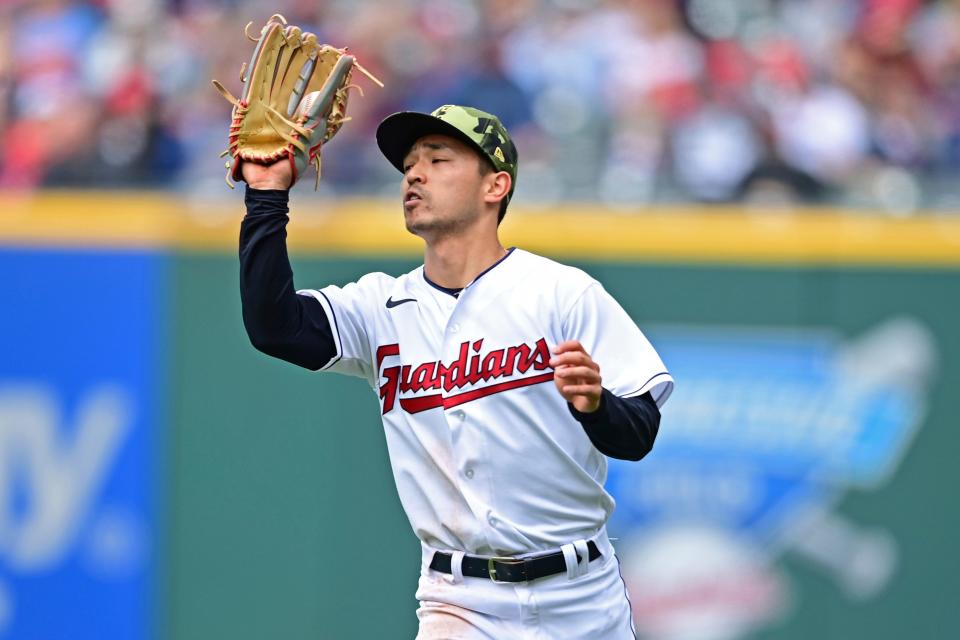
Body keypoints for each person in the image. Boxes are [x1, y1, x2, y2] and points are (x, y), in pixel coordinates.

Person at [238, 104, 673, 639]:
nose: (414, 174)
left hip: (580, 599)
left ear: (496, 186)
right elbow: (274, 328)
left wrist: (598, 406)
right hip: (458, 602)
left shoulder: (561, 293)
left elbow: (639, 433)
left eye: (438, 160)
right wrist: (266, 197)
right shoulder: (381, 306)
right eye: (409, 166)